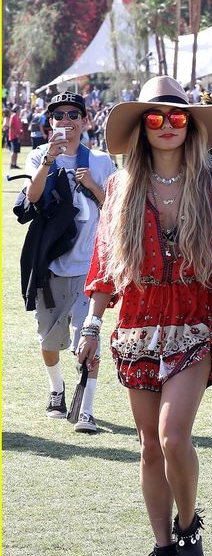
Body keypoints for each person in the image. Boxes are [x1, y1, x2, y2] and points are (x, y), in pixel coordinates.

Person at [77, 76, 212, 556]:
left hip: (194, 325)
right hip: (138, 327)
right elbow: (106, 267)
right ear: (142, 130)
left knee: (173, 436)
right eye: (154, 118)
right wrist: (91, 323)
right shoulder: (122, 189)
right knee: (149, 447)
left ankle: (189, 531)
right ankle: (163, 552)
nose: (167, 125)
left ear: (190, 125)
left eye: (177, 117)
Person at [22, 91, 116, 432]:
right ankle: (56, 389)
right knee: (50, 342)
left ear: (85, 121)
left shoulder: (102, 162)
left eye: (73, 114)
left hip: (92, 269)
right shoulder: (38, 156)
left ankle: (86, 410)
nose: (66, 121)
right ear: (50, 123)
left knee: (88, 337)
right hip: (50, 267)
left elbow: (116, 212)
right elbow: (31, 199)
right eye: (58, 115)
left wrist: (91, 183)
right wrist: (49, 159)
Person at [8, 105, 23, 169]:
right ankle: (12, 164)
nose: (20, 110)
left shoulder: (18, 117)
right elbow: (10, 126)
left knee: (16, 151)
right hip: (13, 136)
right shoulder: (13, 116)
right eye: (19, 109)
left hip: (18, 136)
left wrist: (20, 132)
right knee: (13, 151)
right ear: (16, 110)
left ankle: (15, 164)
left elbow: (19, 127)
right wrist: (16, 134)